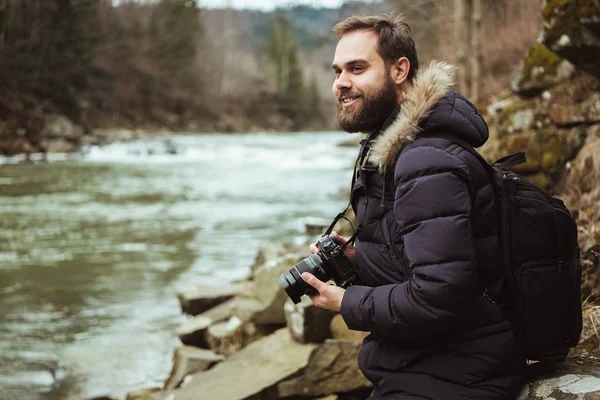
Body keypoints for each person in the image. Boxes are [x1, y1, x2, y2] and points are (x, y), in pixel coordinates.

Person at [301, 15, 526, 400]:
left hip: (456, 375)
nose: (341, 82)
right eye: (337, 71)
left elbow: (438, 296)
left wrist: (346, 301)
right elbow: (422, 262)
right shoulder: (402, 151)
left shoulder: (427, 161)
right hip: (426, 365)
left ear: (400, 69)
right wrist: (358, 258)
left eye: (357, 68)